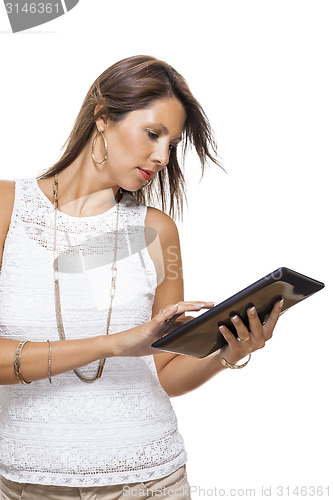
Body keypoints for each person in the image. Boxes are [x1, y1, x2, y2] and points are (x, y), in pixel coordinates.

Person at [0, 55, 283, 499]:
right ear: (102, 119)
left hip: (152, 482)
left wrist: (226, 351)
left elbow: (165, 371)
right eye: (153, 134)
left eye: (172, 143)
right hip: (30, 485)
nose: (162, 156)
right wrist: (117, 343)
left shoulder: (159, 232)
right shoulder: (7, 208)